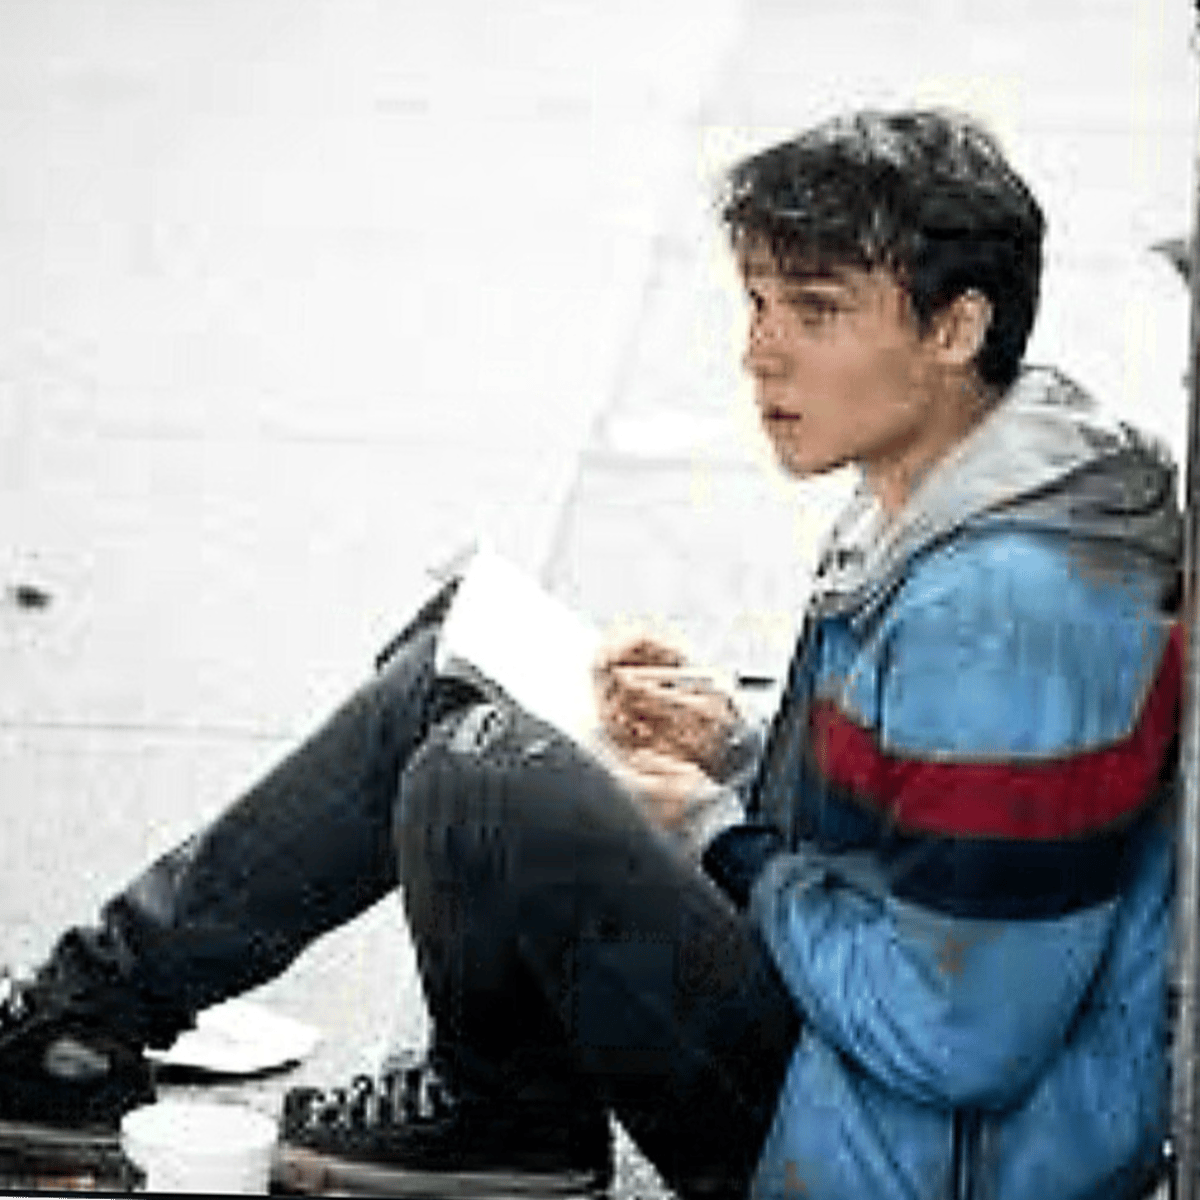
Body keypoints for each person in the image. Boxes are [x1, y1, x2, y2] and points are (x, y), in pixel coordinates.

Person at [0, 108, 1181, 1200]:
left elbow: (958, 1039)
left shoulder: (1012, 611)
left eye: (814, 312)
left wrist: (721, 836)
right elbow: (912, 829)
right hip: (847, 1077)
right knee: (459, 667)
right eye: (757, 304)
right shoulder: (945, 483)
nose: (760, 354)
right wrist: (738, 746)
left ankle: (503, 1111)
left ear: (956, 328)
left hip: (895, 1156)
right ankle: (79, 1019)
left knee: (484, 771)